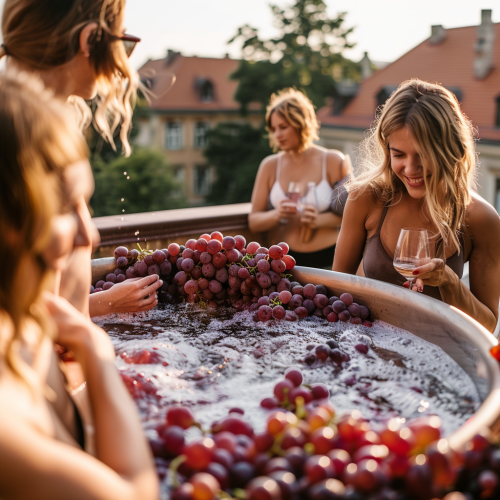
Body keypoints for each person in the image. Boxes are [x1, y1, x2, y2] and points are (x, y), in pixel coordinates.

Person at [0, 73, 158, 499]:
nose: (89, 236)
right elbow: (133, 493)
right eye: (69, 207)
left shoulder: (19, 334)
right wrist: (96, 350)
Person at [1, 0, 162, 317]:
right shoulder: (19, 141)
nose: (91, 235)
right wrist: (107, 304)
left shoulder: (50, 130)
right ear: (89, 40)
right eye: (122, 44)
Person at [333, 79, 500, 333]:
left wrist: (449, 282)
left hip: (436, 359)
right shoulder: (365, 198)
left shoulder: (480, 218)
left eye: (423, 155)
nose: (411, 170)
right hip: (367, 355)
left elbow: (487, 326)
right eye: (398, 154)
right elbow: (336, 294)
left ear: (450, 149)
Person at [249, 88, 351, 268]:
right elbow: (254, 221)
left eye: (283, 127)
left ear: (301, 123)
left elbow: (354, 214)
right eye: (273, 129)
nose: (277, 135)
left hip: (329, 258)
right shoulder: (270, 165)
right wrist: (277, 214)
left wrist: (319, 220)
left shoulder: (333, 160)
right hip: (284, 261)